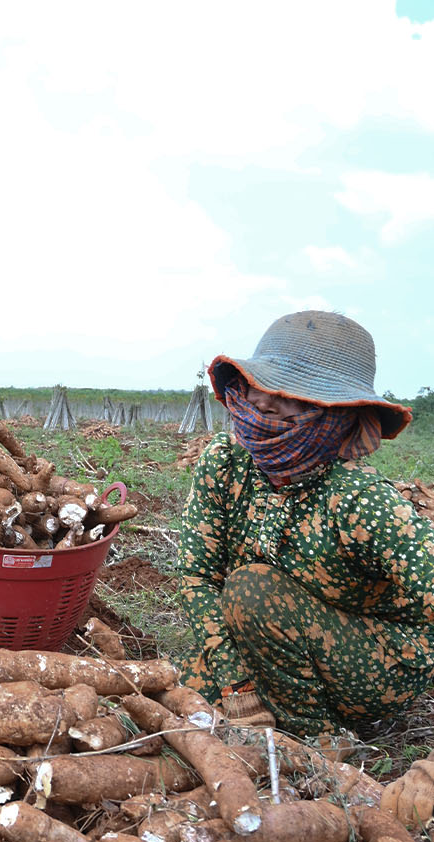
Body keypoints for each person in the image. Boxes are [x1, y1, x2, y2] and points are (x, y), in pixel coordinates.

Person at [180, 311, 434, 774]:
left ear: (337, 414)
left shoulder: (358, 496)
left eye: (293, 396)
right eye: (262, 385)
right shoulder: (225, 461)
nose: (267, 404)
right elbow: (197, 577)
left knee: (251, 591)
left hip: (373, 660)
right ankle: (269, 703)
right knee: (192, 694)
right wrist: (237, 685)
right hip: (277, 639)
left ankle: (318, 737)